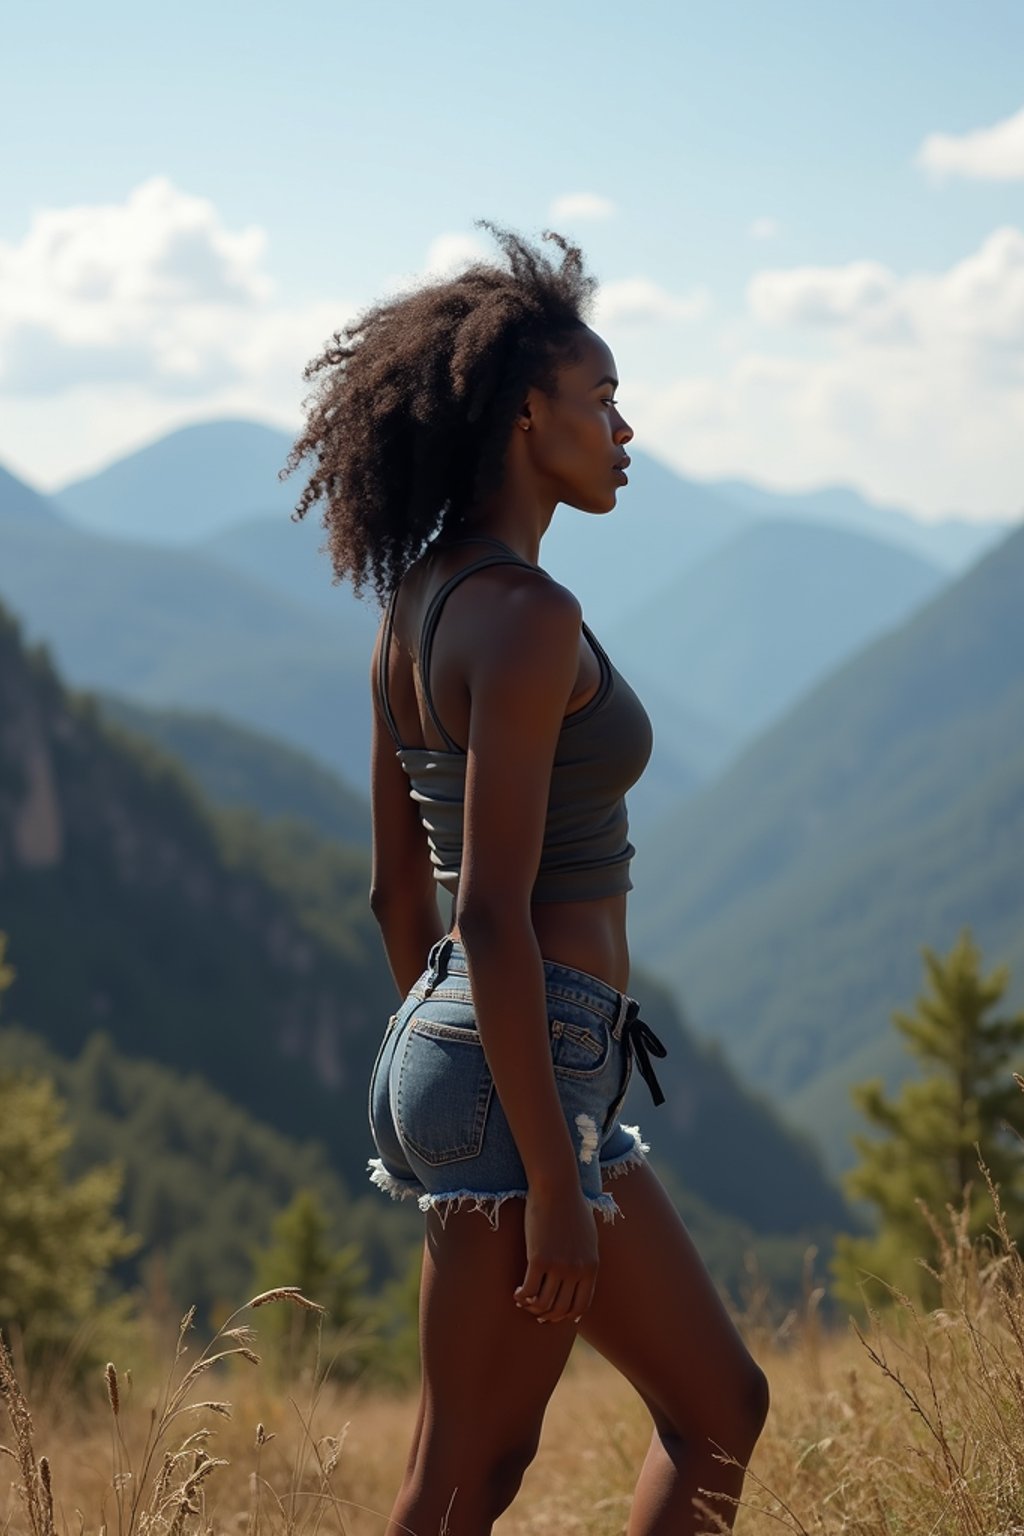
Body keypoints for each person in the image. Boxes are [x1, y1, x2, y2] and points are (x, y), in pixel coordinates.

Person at [286, 224, 769, 1536]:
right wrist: (547, 1174)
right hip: (526, 1060)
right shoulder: (529, 619)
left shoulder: (413, 610)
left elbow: (402, 896)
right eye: (602, 402)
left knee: (670, 1417)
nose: (625, 430)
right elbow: (485, 908)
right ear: (524, 417)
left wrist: (453, 1059)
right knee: (478, 1477)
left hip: (465, 1044)